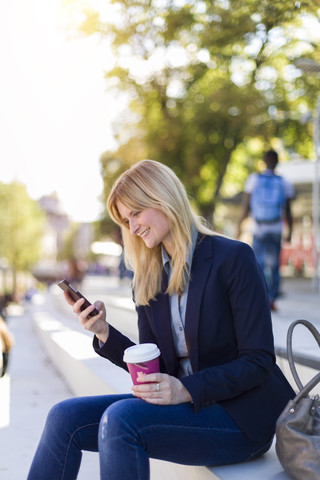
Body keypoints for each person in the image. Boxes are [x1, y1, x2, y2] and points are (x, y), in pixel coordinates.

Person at [27, 159, 295, 480]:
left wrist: (185, 389)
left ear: (162, 199)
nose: (133, 227)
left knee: (121, 419)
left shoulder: (233, 258)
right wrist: (102, 332)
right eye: (126, 220)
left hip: (239, 417)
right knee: (63, 417)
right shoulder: (150, 278)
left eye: (136, 213)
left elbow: (258, 360)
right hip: (186, 411)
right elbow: (155, 368)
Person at [237, 149, 294, 311]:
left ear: (264, 161)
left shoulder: (254, 179)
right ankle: (271, 299)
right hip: (276, 229)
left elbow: (246, 206)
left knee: (258, 263)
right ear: (277, 161)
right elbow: (288, 210)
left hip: (259, 228)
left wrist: (239, 227)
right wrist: (290, 231)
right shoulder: (284, 182)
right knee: (274, 264)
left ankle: (259, 296)